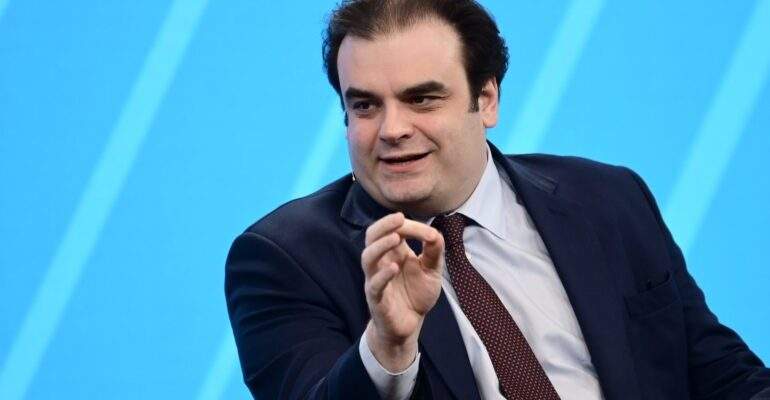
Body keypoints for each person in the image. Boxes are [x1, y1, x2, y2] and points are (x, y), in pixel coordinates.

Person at [225, 1, 770, 399]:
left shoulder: (609, 199)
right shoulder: (283, 259)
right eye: (365, 105)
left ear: (486, 99)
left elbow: (720, 372)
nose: (391, 129)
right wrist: (387, 347)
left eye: (422, 99)